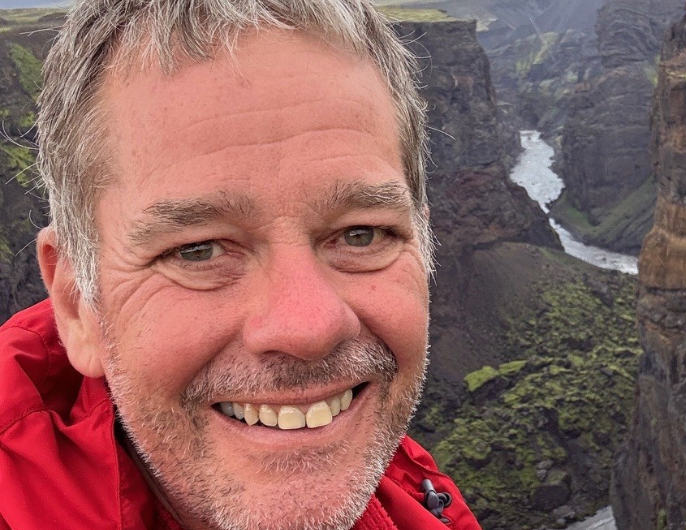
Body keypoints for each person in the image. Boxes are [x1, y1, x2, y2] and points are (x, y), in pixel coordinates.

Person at [0, 1, 481, 529]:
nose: (309, 327)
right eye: (197, 249)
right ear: (77, 304)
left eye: (360, 234)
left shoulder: (421, 500)